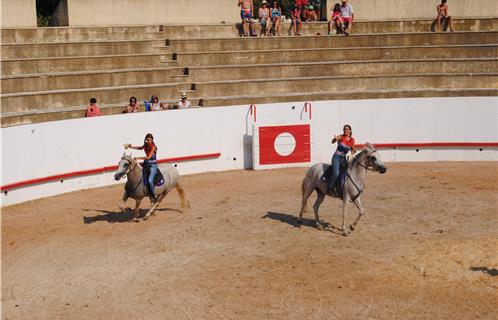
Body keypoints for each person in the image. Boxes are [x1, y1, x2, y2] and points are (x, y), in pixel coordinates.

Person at [323, 124, 356, 193]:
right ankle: (329, 187)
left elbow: (353, 150)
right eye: (344, 129)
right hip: (336, 157)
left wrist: (352, 153)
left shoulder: (352, 140)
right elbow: (332, 141)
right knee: (336, 174)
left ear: (350, 130)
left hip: (344, 158)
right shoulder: (341, 137)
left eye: (347, 129)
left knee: (348, 172)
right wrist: (335, 139)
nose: (345, 130)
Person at [126, 133, 159, 202]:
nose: (148, 141)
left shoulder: (153, 147)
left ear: (152, 140)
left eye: (150, 140)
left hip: (153, 165)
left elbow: (148, 157)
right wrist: (130, 147)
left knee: (150, 180)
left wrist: (138, 158)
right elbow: (139, 148)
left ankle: (153, 195)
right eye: (147, 140)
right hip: (146, 163)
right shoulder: (146, 145)